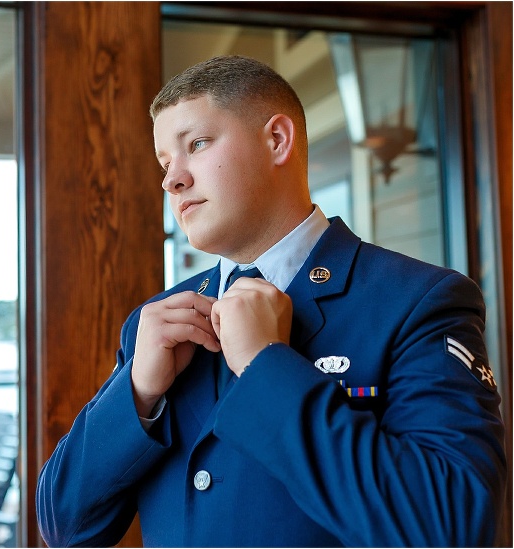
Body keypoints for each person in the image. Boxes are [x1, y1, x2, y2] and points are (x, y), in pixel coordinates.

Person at [36, 55, 506, 547]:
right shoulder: (155, 324)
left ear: (277, 140)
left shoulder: (418, 301)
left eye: (195, 145)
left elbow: (453, 527)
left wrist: (266, 367)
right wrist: (138, 394)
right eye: (164, 163)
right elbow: (63, 527)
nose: (171, 180)